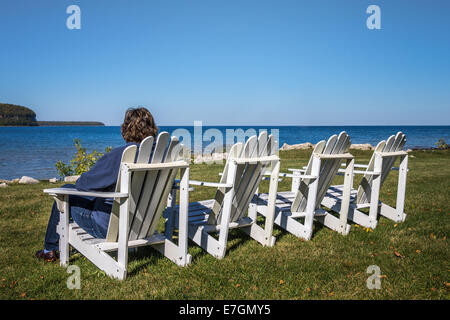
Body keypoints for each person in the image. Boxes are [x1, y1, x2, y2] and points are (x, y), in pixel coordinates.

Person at [35, 107, 158, 262]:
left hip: (109, 227)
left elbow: (83, 185)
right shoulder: (160, 154)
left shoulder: (121, 155)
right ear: (152, 127)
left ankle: (50, 249)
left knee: (66, 191)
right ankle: (53, 246)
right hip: (142, 225)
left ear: (127, 128)